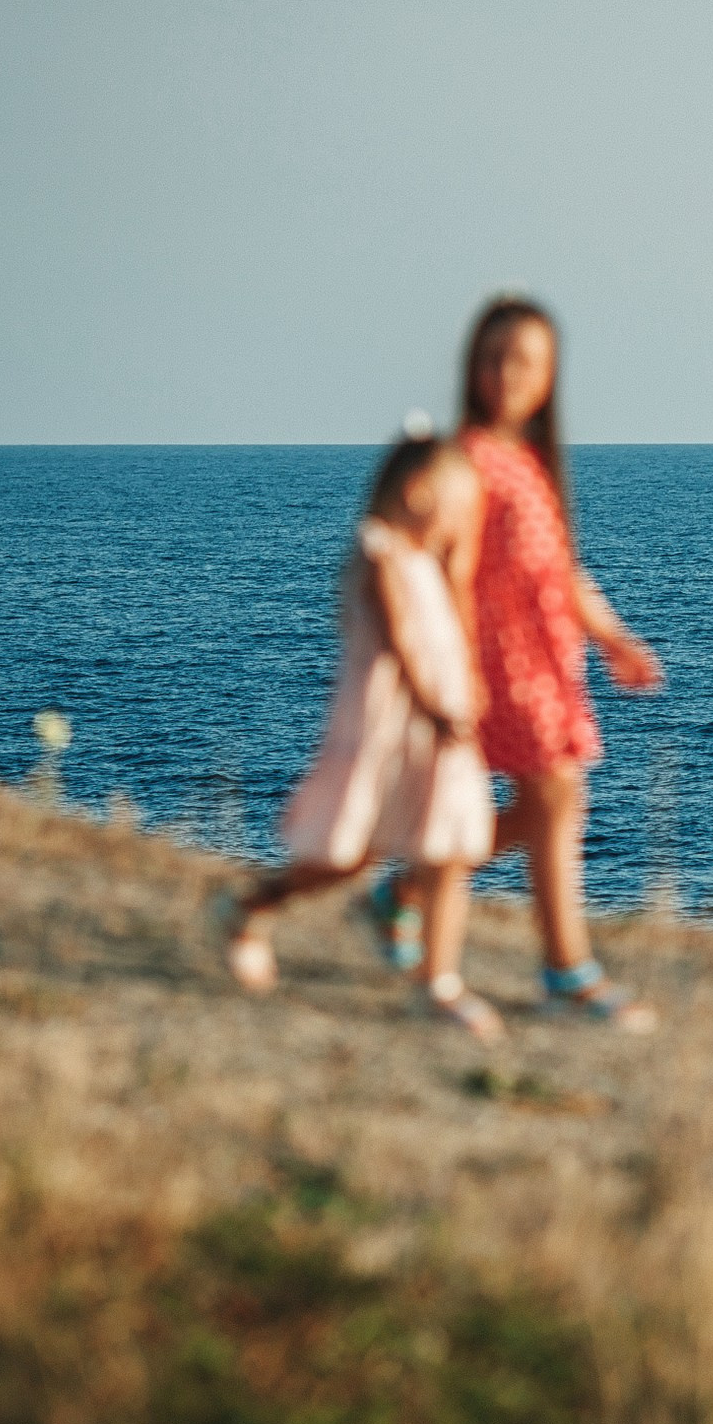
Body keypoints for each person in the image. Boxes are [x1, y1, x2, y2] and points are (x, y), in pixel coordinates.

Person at [220, 425, 504, 1041]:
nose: (464, 524)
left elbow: (447, 634)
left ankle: (439, 983)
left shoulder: (427, 561)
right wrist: (434, 705)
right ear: (419, 494)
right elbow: (400, 641)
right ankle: (250, 906)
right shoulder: (379, 551)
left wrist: (468, 688)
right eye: (459, 508)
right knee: (352, 855)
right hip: (394, 728)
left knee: (449, 850)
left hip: (441, 727)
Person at [453, 294, 664, 1031]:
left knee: (550, 801)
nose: (509, 374)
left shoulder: (530, 466)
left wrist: (613, 638)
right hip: (496, 663)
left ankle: (409, 892)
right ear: (472, 368)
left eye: (527, 361)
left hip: (547, 663)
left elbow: (562, 574)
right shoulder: (466, 463)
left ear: (549, 376)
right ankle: (567, 971)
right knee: (556, 792)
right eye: (495, 358)